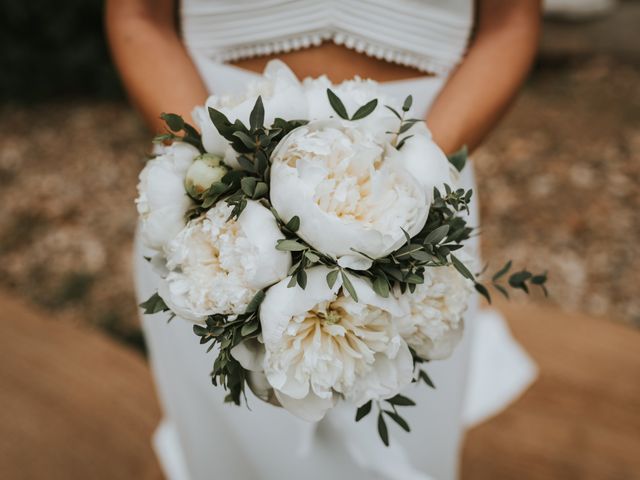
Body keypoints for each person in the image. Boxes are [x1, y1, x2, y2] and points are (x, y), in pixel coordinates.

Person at [107, 1, 541, 479]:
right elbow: (138, 18)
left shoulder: (414, 185)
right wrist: (215, 174)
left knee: (406, 444)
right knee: (233, 449)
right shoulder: (217, 219)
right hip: (221, 212)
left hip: (415, 178)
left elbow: (511, 23)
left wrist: (408, 178)